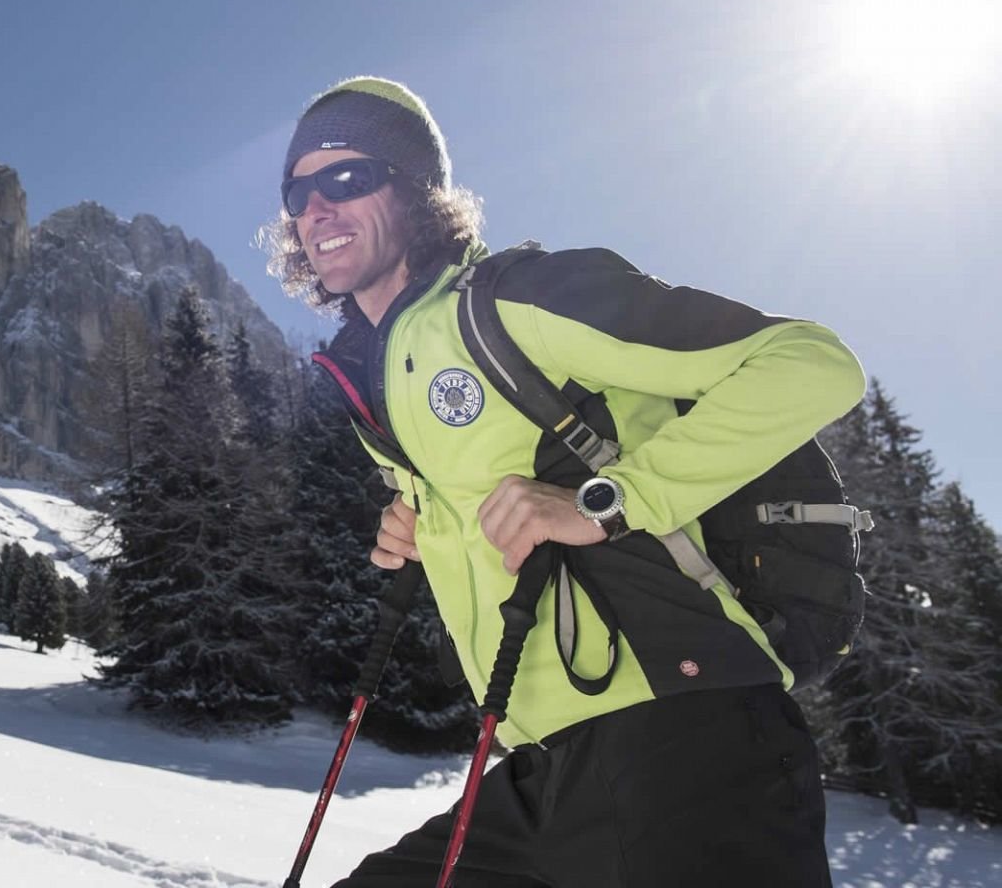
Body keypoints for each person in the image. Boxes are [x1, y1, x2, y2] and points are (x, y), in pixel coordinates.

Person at [267, 77, 865, 886]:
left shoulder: (518, 299)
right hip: (539, 773)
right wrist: (423, 524)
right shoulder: (370, 383)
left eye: (347, 179)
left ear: (414, 191)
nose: (317, 209)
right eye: (299, 192)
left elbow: (811, 365)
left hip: (689, 746)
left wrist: (608, 503)